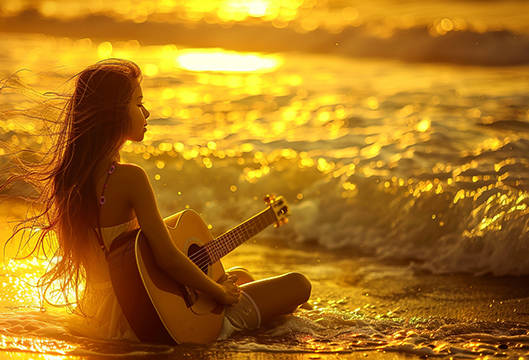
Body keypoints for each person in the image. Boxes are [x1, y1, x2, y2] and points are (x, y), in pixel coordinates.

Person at [1, 59, 311, 341]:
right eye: (139, 103)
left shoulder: (68, 177)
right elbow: (167, 259)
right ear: (114, 112)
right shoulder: (129, 177)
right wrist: (219, 293)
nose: (146, 113)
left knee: (240, 275)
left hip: (98, 319)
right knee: (298, 284)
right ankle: (225, 329)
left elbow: (136, 255)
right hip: (152, 317)